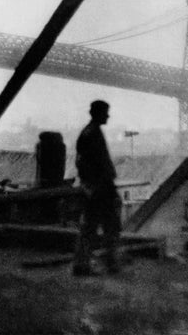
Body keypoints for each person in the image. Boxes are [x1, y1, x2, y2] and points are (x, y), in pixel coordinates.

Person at [73, 100, 121, 276]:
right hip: (100, 189)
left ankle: (83, 264)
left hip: (95, 188)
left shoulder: (89, 132)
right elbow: (94, 165)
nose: (108, 116)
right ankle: (109, 264)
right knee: (110, 226)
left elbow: (81, 163)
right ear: (98, 113)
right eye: (106, 112)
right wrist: (101, 187)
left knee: (91, 227)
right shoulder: (93, 134)